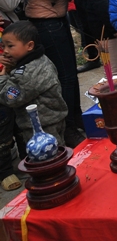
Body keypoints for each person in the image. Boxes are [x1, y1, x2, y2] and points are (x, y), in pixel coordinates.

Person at [6, 0, 85, 148]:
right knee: (66, 76)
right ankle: (69, 129)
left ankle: (76, 121)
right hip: (47, 21)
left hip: (51, 18)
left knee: (68, 74)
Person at [0, 21, 68, 190]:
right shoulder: (38, 60)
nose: (5, 51)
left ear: (29, 46)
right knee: (56, 156)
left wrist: (2, 77)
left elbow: (11, 98)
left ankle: (54, 190)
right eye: (3, 46)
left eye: (10, 46)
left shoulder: (28, 72)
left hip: (41, 127)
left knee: (47, 164)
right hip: (52, 118)